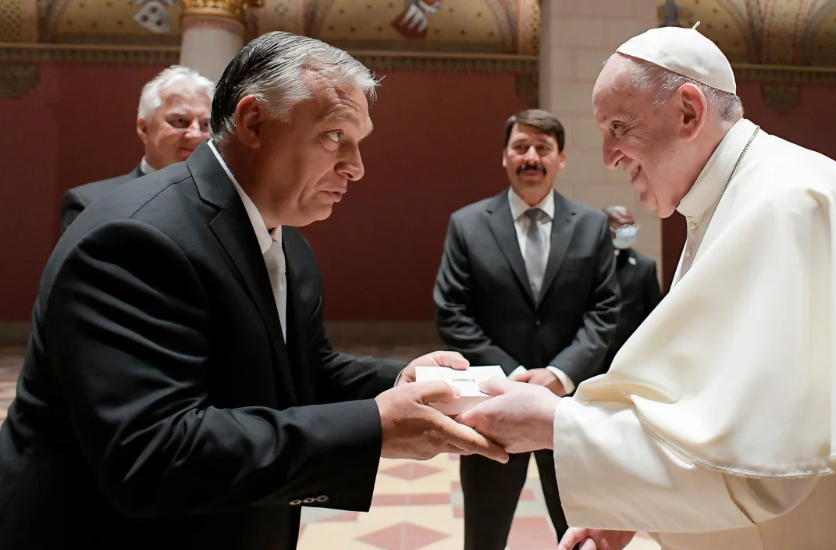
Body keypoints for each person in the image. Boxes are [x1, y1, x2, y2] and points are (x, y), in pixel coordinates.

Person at [457, 26, 836, 550]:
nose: (609, 155)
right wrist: (635, 505)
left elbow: (765, 463)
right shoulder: (735, 198)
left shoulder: (784, 205)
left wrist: (556, 425)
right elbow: (706, 417)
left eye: (619, 126)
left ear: (689, 112)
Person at [0, 32, 506, 550]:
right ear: (253, 122)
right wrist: (374, 426)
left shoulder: (285, 241)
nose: (356, 166)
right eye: (334, 136)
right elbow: (153, 454)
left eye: (360, 142)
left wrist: (402, 379)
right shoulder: (136, 238)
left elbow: (302, 370)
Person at [434, 109, 620, 550]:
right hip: (492, 403)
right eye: (521, 147)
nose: (531, 157)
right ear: (505, 157)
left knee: (580, 532)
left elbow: (605, 310)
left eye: (543, 148)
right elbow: (452, 311)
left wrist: (558, 375)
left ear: (561, 159)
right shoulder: (468, 224)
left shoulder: (593, 226)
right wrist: (514, 375)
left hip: (569, 408)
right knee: (484, 532)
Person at [60, 65, 214, 233]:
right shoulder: (90, 203)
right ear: (144, 128)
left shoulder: (226, 201)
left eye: (205, 124)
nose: (195, 135)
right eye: (179, 121)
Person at [601, 205, 663, 373]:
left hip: (630, 356)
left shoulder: (644, 266)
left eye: (632, 225)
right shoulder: (589, 265)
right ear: (605, 228)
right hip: (595, 355)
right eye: (623, 226)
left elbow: (654, 313)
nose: (629, 231)